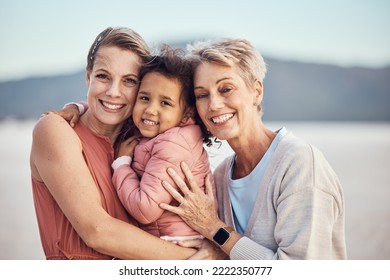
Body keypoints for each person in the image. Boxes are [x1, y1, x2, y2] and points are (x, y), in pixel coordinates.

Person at [30, 26, 222, 260]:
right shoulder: (55, 129)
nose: (113, 92)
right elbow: (97, 232)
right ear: (88, 77)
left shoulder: (138, 136)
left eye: (129, 81)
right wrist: (199, 259)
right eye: (103, 76)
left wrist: (214, 236)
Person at [159, 38, 348, 259]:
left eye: (226, 89)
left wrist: (213, 228)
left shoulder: (300, 163)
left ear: (256, 91)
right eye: (202, 95)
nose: (214, 104)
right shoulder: (220, 176)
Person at [64, 46, 217, 243]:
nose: (150, 110)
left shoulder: (172, 145)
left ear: (186, 113)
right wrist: (77, 107)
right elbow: (115, 108)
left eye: (165, 103)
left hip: (177, 245)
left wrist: (121, 165)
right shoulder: (159, 130)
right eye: (144, 98)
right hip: (165, 239)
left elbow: (145, 209)